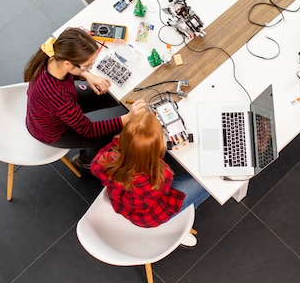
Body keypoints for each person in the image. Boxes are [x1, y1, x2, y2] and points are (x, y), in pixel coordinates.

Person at [24, 27, 147, 170]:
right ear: (68, 63)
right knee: (108, 138)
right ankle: (85, 160)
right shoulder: (56, 96)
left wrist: (88, 75)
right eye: (87, 66)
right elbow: (88, 130)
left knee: (106, 93)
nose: (90, 68)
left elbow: (71, 74)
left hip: (61, 103)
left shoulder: (53, 54)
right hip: (52, 131)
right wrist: (126, 119)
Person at [91, 109, 210, 246]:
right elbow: (165, 189)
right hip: (148, 216)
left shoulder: (106, 160)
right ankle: (180, 220)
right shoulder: (161, 176)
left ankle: (182, 214)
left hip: (121, 203)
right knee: (208, 184)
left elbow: (96, 166)